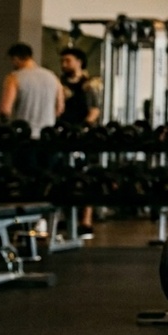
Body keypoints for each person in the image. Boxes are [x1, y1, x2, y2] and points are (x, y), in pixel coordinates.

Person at [0, 42, 63, 175]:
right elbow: (60, 108)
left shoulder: (14, 77)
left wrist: (5, 123)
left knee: (26, 181)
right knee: (46, 181)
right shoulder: (53, 77)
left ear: (16, 58)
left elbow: (5, 110)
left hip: (25, 139)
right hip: (48, 138)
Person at [59, 47, 103, 237]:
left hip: (83, 137)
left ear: (79, 61)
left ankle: (86, 221)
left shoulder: (89, 85)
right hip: (62, 136)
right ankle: (63, 218)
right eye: (62, 61)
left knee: (85, 176)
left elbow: (95, 110)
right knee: (62, 175)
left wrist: (84, 127)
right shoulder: (60, 84)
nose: (64, 64)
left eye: (68, 60)